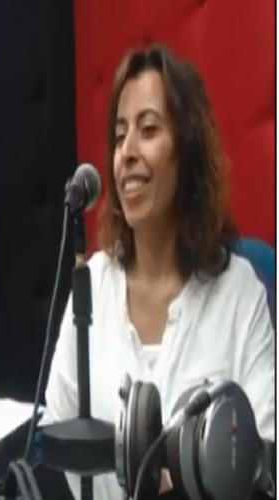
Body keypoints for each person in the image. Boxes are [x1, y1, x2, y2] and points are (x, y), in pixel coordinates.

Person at [44, 43, 275, 499]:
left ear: (187, 151)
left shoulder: (239, 293)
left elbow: (264, 461)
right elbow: (54, 438)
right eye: (119, 136)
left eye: (148, 130)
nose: (127, 152)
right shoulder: (92, 287)